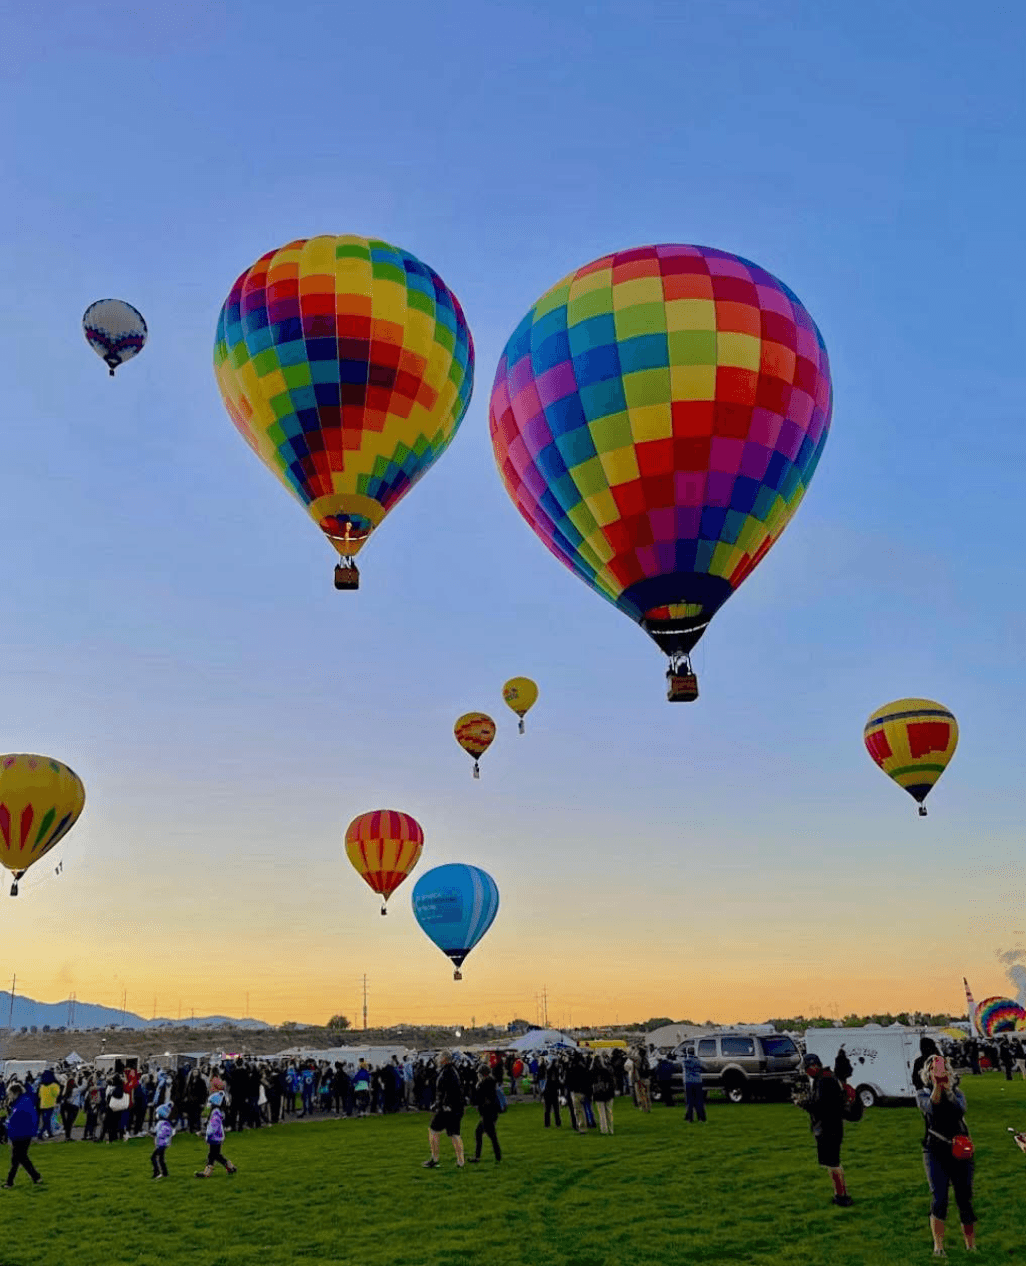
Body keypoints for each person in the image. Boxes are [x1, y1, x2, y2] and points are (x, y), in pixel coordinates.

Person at [918, 1055, 975, 1257]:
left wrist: (947, 1089)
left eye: (941, 1069)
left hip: (960, 1151)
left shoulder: (958, 1094)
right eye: (933, 1069)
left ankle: (971, 1246)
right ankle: (938, 1247)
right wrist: (937, 1087)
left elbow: (959, 1110)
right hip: (935, 1151)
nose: (938, 1072)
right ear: (927, 1073)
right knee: (939, 1197)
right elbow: (931, 1109)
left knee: (964, 1198)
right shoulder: (922, 1094)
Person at [794, 1053, 852, 1207]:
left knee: (833, 1163)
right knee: (832, 1162)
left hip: (829, 1127)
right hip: (832, 1125)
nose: (806, 1072)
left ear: (813, 1066)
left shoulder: (824, 1081)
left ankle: (842, 1196)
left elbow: (820, 1106)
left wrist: (803, 1103)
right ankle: (839, 1193)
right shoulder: (826, 1078)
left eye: (807, 1068)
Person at [422, 1050, 465, 1169]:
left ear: (444, 1059)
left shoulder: (447, 1072)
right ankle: (460, 1161)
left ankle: (435, 1159)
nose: (437, 1059)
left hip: (447, 1108)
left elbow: (446, 1091)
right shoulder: (452, 1071)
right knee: (454, 1134)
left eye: (440, 1057)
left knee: (434, 1130)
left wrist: (441, 1104)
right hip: (455, 1107)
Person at [3, 1083, 42, 1188]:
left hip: (20, 1134)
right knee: (22, 1158)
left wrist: (6, 1124)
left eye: (10, 1093)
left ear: (15, 1093)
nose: (9, 1096)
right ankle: (36, 1176)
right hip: (24, 1133)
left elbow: (15, 1120)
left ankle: (9, 1182)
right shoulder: (24, 1101)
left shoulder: (21, 1103)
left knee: (17, 1158)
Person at [195, 1093, 238, 1178]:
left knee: (212, 1155)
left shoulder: (215, 1113)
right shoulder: (216, 1112)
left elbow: (213, 1126)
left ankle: (207, 1173)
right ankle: (231, 1167)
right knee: (216, 1155)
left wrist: (205, 1133)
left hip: (215, 1137)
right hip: (216, 1136)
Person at [468, 1065, 501, 1164]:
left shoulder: (484, 1084)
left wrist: (474, 1087)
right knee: (485, 1134)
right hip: (491, 1112)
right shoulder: (491, 1082)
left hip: (487, 1113)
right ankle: (497, 1156)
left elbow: (476, 1099)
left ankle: (480, 1157)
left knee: (487, 1134)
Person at [590, 1053, 615, 1135]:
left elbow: (590, 1082)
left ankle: (604, 1129)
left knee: (602, 1113)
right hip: (608, 1092)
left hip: (598, 1093)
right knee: (609, 1111)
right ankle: (611, 1129)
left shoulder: (593, 1071)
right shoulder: (606, 1070)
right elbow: (611, 1081)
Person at [151, 1103, 174, 1180]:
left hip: (162, 1144)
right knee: (160, 1159)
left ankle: (157, 1172)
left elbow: (164, 1132)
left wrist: (156, 1133)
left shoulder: (164, 1123)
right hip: (161, 1143)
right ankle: (164, 1173)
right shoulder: (162, 1123)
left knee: (154, 1157)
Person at [682, 1050, 706, 1123]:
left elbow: (682, 1065)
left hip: (688, 1081)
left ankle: (689, 1118)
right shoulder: (698, 1061)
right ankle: (701, 1118)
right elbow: (704, 1068)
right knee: (699, 1100)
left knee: (689, 1100)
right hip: (698, 1081)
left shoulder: (686, 1061)